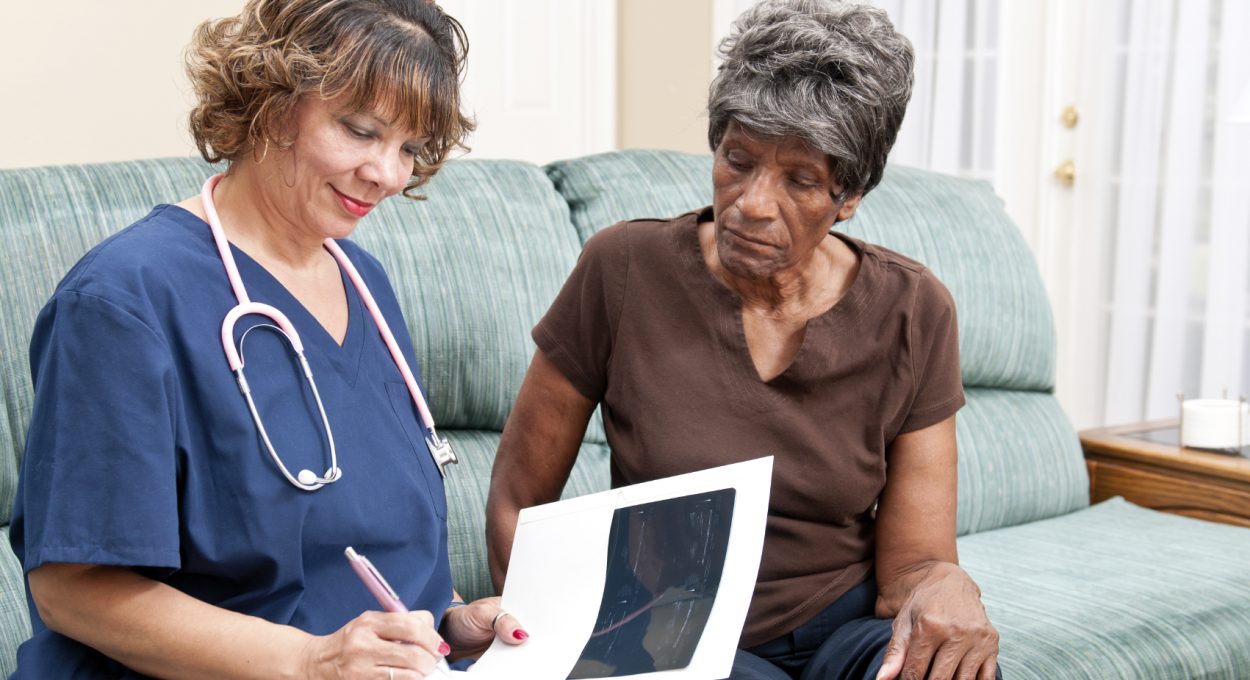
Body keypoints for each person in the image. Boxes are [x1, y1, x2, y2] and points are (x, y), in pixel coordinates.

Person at [9, 1, 526, 677]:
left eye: (409, 148)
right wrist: (311, 661)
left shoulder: (363, 281)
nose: (388, 174)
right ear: (272, 103)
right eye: (361, 130)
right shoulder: (124, 300)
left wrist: (451, 625)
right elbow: (72, 592)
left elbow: (360, 553)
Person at [486, 1, 1000, 679]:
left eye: (801, 180)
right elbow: (518, 501)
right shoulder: (623, 269)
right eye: (738, 159)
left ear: (850, 194)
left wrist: (948, 585)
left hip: (843, 629)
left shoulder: (914, 310)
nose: (754, 202)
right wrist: (537, 638)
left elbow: (911, 568)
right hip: (670, 631)